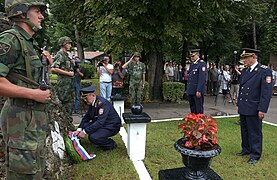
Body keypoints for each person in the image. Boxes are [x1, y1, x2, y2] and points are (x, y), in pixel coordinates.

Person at [0, 1, 52, 179]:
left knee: (34, 171)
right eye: (37, 11)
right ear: (22, 14)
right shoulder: (11, 39)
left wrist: (47, 66)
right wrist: (35, 94)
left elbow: (29, 78)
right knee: (22, 174)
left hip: (32, 119)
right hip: (20, 119)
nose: (42, 16)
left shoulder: (29, 42)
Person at [236, 48, 272, 164]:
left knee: (254, 132)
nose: (244, 60)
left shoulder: (264, 71)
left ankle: (255, 154)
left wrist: (262, 109)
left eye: (246, 58)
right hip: (244, 106)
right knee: (244, 129)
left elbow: (265, 93)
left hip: (254, 107)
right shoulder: (246, 71)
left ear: (254, 57)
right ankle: (246, 149)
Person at [73, 86, 121, 150]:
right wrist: (79, 129)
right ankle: (100, 140)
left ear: (93, 95)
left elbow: (100, 122)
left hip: (112, 126)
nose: (85, 100)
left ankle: (111, 144)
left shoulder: (102, 104)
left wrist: (84, 132)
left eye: (86, 98)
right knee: (85, 125)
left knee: (93, 137)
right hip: (103, 123)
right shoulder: (92, 102)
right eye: (84, 99)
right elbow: (86, 117)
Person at [51, 36, 74, 115]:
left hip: (69, 84)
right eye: (68, 43)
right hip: (63, 85)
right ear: (63, 44)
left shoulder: (66, 55)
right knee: (62, 105)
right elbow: (53, 68)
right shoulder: (60, 54)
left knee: (69, 105)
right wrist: (68, 73)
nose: (70, 45)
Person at [186, 49, 207, 114]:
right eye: (191, 56)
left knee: (198, 109)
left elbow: (202, 78)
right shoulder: (192, 65)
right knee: (193, 108)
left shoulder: (201, 64)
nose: (191, 58)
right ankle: (193, 122)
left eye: (193, 56)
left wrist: (199, 90)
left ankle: (199, 123)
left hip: (197, 90)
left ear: (198, 55)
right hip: (191, 90)